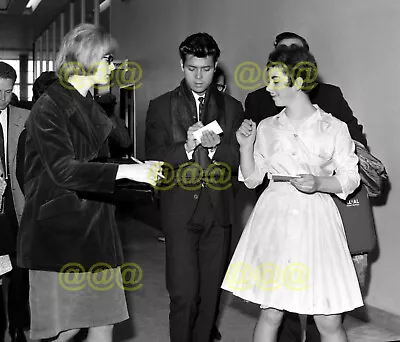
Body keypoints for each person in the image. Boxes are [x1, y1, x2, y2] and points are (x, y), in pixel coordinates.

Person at [16, 23, 161, 342]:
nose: (114, 66)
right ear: (84, 59)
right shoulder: (49, 106)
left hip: (96, 230)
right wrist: (124, 172)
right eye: (108, 58)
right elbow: (65, 170)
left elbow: (94, 164)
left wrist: (133, 167)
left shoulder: (90, 106)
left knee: (104, 321)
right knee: (65, 330)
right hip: (60, 235)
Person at [221, 45, 363, 342]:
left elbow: (350, 178)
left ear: (298, 81)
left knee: (328, 318)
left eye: (275, 80)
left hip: (318, 221)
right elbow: (251, 179)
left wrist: (320, 183)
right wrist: (246, 147)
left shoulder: (333, 127)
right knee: (271, 312)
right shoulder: (267, 127)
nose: (268, 88)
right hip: (275, 219)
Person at [145, 32, 244, 342]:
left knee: (209, 297)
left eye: (206, 69)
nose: (199, 77)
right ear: (182, 66)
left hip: (219, 214)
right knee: (184, 296)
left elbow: (241, 161)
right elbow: (153, 158)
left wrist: (216, 151)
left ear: (215, 67)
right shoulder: (160, 107)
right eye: (192, 68)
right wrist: (186, 148)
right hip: (179, 214)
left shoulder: (232, 108)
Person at [0, 61, 30, 342]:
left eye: (7, 92)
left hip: (17, 205)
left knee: (21, 272)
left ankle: (18, 325)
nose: (1, 99)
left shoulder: (26, 118)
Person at [94, 92, 132, 158]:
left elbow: (126, 143)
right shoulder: (94, 120)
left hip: (114, 156)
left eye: (110, 106)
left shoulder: (118, 122)